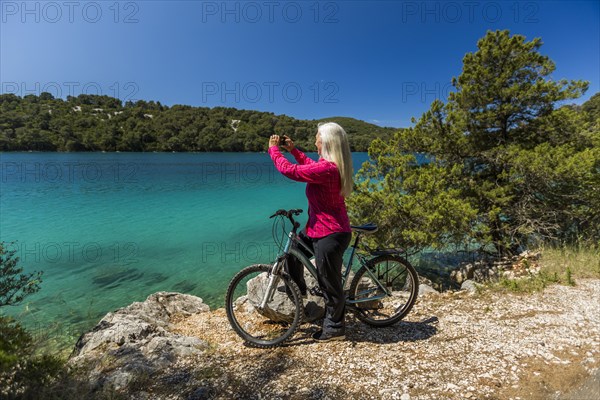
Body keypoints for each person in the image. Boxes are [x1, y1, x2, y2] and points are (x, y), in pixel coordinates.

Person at [268, 122, 353, 341]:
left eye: (317, 137)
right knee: (296, 248)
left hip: (331, 233)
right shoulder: (328, 166)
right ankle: (299, 292)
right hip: (317, 228)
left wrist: (274, 150)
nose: (315, 141)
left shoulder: (328, 169)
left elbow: (292, 171)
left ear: (325, 141)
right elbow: (308, 165)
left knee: (329, 282)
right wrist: (294, 150)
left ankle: (335, 328)